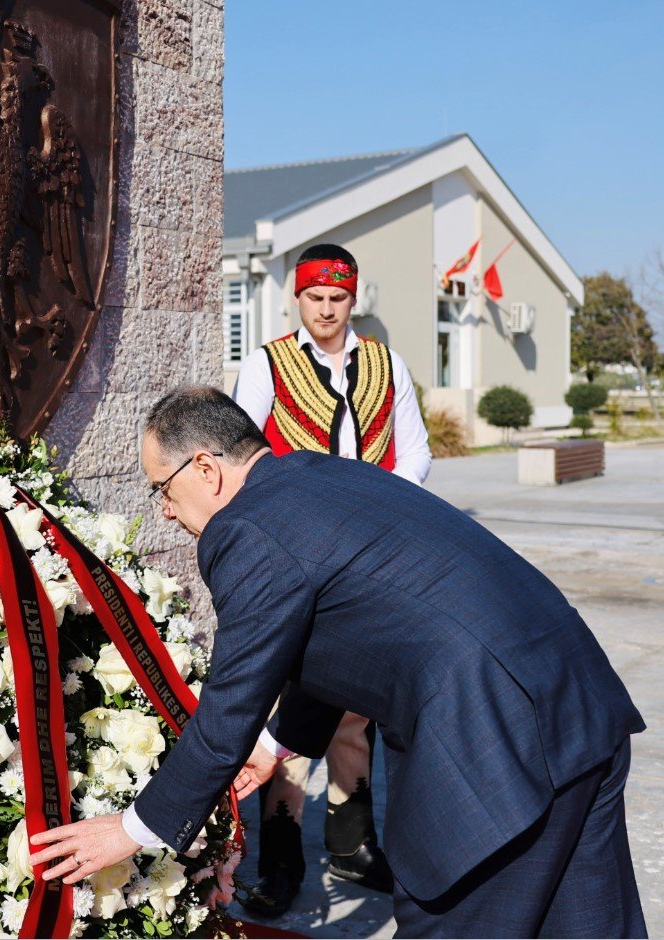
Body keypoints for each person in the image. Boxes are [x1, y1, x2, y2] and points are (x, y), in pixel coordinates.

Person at [28, 387, 647, 938]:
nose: (164, 509)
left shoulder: (245, 529)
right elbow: (341, 631)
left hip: (497, 746)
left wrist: (134, 830)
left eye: (162, 488)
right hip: (578, 703)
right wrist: (276, 745)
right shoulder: (319, 478)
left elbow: (232, 699)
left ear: (207, 469)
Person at [229, 243, 432, 914]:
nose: (325, 309)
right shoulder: (266, 363)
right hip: (296, 555)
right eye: (314, 298)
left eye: (336, 298)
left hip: (374, 552)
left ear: (353, 298)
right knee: (294, 699)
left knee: (356, 704)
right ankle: (281, 856)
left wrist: (382, 511)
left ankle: (351, 842)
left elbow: (414, 448)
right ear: (296, 297)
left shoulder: (384, 361)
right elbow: (241, 453)